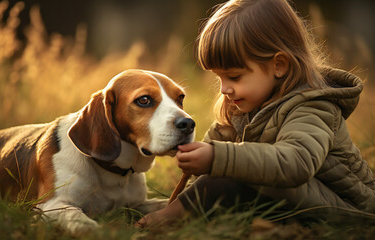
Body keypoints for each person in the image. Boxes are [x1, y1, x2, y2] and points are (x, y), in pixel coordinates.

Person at [136, 0, 375, 227]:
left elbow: (296, 164)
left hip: (349, 209)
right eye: (219, 77)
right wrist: (202, 165)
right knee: (229, 174)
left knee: (234, 174)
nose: (224, 88)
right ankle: (170, 212)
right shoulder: (244, 107)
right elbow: (213, 167)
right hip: (298, 200)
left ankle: (171, 219)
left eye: (234, 76)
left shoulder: (314, 106)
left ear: (278, 65)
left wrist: (217, 158)